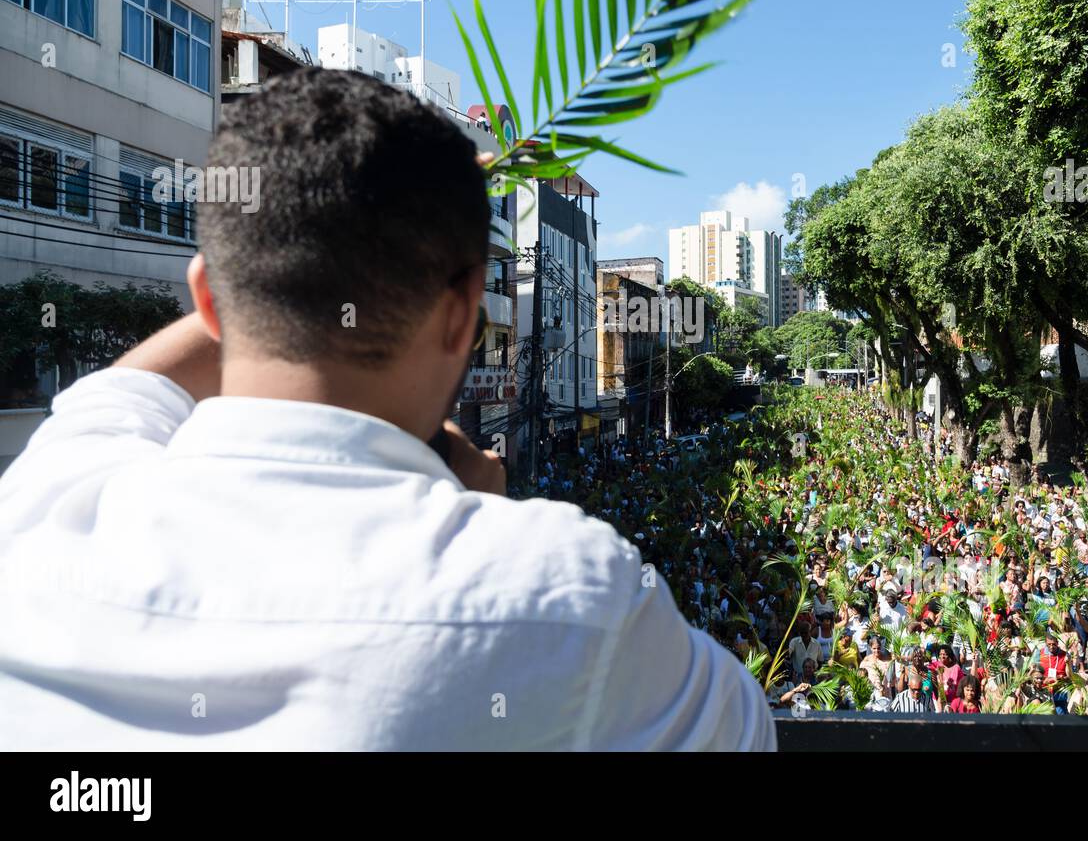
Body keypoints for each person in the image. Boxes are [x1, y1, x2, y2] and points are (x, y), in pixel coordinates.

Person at [0, 70, 774, 751]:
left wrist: (300, 242)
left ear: (206, 297)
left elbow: (126, 389)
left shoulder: (44, 508)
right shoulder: (562, 599)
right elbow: (749, 730)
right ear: (465, 312)